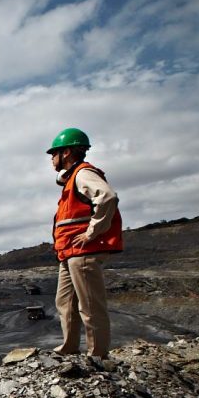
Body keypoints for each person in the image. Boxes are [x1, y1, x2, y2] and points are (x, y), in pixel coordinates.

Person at [47, 128, 123, 358]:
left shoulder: (83, 174)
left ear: (67, 152)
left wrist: (91, 233)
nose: (51, 159)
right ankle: (69, 347)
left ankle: (97, 354)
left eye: (54, 154)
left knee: (89, 305)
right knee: (65, 302)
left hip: (83, 251)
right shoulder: (72, 178)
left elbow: (107, 197)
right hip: (69, 252)